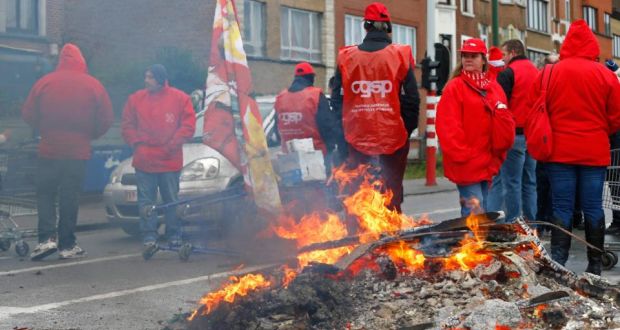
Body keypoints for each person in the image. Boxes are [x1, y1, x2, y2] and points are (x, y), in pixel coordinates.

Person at [527, 20, 620, 275]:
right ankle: (594, 265)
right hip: (594, 150)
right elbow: (616, 117)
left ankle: (558, 262)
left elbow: (533, 106)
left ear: (566, 44)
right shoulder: (605, 75)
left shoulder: (549, 72)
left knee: (562, 206)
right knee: (592, 206)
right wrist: (600, 130)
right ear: (592, 44)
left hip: (559, 151)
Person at [22, 43, 114, 260]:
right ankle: (67, 244)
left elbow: (28, 114)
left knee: (45, 194)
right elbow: (106, 119)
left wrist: (44, 129)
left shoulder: (44, 82)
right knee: (69, 197)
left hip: (49, 149)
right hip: (77, 152)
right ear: (81, 61)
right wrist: (89, 135)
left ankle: (45, 240)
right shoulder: (93, 85)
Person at [330, 2, 420, 213]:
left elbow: (337, 99)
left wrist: (344, 133)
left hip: (356, 138)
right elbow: (412, 100)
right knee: (392, 194)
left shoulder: (346, 57)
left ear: (366, 27)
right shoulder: (400, 55)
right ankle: (392, 240)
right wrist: (405, 131)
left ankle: (358, 240)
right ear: (388, 27)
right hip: (394, 138)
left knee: (358, 195)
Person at [121, 64, 196, 254]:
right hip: (146, 160)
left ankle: (174, 235)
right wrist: (136, 143)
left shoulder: (180, 98)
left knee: (171, 200)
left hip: (169, 161)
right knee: (147, 202)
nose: (146, 80)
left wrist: (172, 144)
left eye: (150, 77)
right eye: (146, 76)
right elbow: (127, 125)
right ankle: (149, 237)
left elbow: (188, 125)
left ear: (161, 79)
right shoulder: (135, 99)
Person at [436, 38, 515, 217]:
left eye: (473, 56)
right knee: (475, 211)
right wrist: (463, 155)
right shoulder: (454, 87)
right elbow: (448, 126)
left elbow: (504, 119)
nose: (468, 59)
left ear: (483, 59)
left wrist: (498, 151)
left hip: (487, 161)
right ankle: (472, 244)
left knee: (483, 209)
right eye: (465, 56)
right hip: (467, 162)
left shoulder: (493, 87)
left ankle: (476, 244)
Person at [486, 40, 539, 223]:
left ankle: (513, 223)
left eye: (504, 54)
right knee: (530, 182)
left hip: (514, 135)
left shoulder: (508, 73)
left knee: (511, 183)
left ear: (514, 52)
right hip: (533, 135)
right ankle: (532, 223)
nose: (502, 59)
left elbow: (500, 106)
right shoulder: (536, 71)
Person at [274, 62, 341, 163]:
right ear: (311, 78)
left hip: (289, 158)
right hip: (316, 156)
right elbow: (327, 125)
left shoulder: (281, 98)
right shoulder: (315, 96)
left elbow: (277, 128)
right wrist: (331, 147)